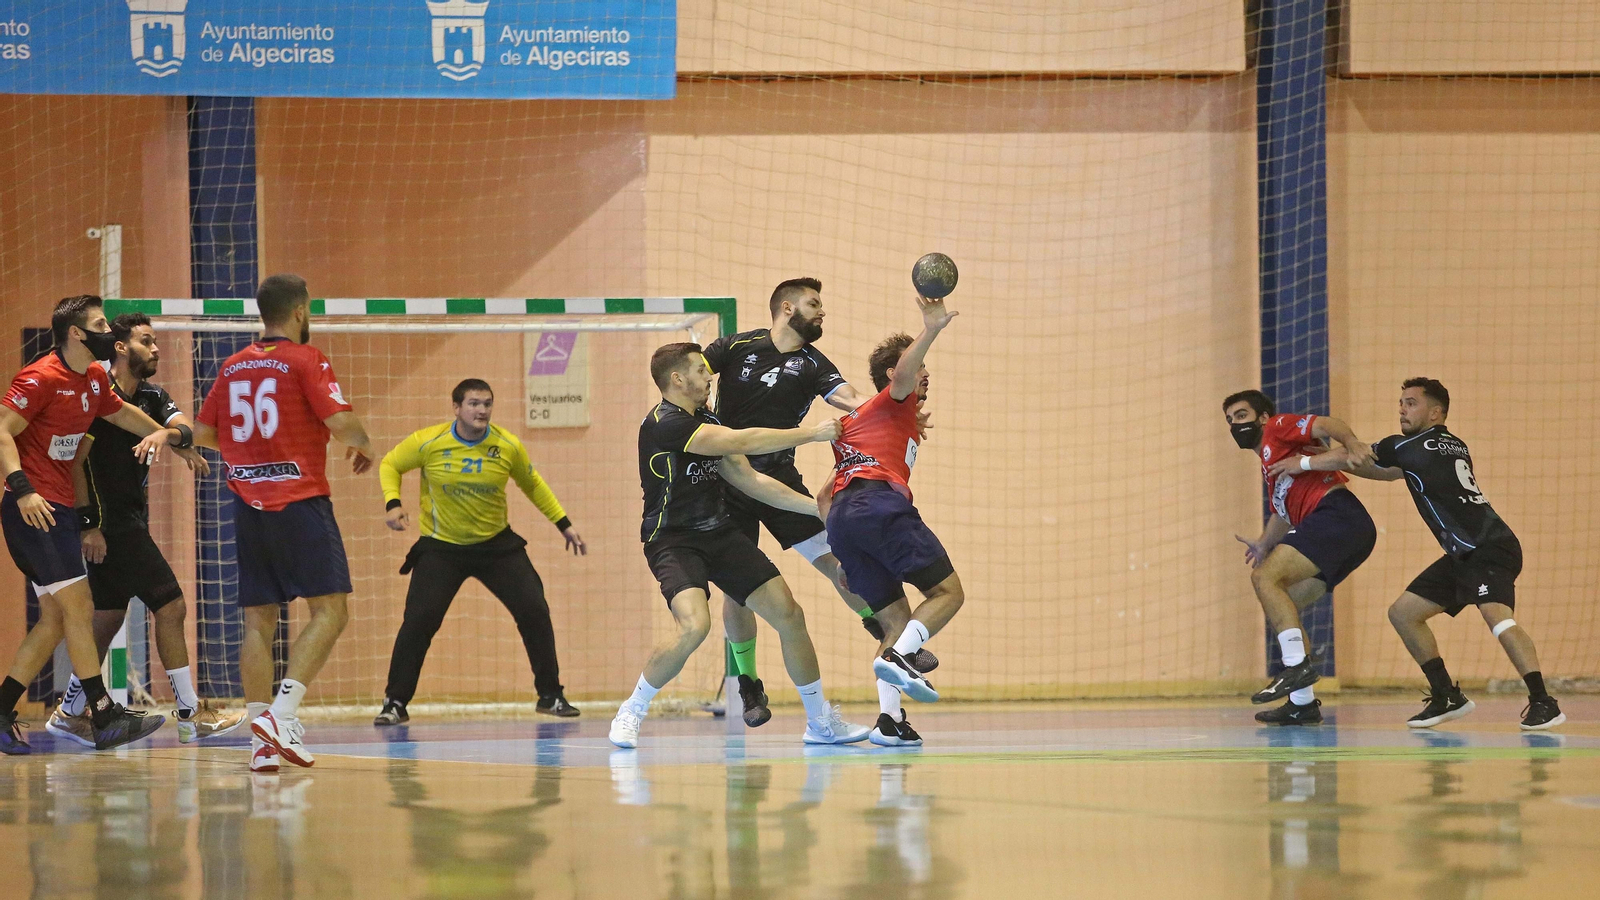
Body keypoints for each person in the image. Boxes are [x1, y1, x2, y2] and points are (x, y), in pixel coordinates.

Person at [609, 342, 869, 749]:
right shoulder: (665, 423)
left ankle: (821, 722)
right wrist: (813, 434)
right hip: (673, 541)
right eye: (700, 370)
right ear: (677, 379)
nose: (709, 375)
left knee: (789, 614)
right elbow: (745, 440)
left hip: (720, 534)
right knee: (695, 626)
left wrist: (819, 511)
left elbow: (750, 481)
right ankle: (633, 709)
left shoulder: (708, 417)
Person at [701, 277, 935, 727]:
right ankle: (747, 682)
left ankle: (885, 630)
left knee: (841, 565)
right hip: (724, 482)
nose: (822, 311)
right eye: (814, 303)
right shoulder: (734, 347)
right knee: (737, 588)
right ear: (787, 308)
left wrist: (900, 411)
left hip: (778, 482)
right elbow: (692, 379)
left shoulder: (812, 363)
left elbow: (855, 402)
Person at [1288, 378, 1563, 730]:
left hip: (1487, 549)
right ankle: (1446, 695)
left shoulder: (1411, 446)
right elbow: (1387, 473)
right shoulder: (1446, 444)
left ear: (1435, 412)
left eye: (1412, 403)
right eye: (1401, 402)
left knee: (1499, 620)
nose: (1402, 408)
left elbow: (1354, 454)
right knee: (1404, 613)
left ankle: (1543, 702)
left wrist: (1305, 464)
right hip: (1464, 553)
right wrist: (1332, 466)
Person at [192, 274, 376, 772]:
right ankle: (283, 713)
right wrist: (364, 443)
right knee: (332, 612)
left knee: (258, 620)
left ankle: (260, 744)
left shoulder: (232, 366)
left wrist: (252, 456)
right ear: (300, 311)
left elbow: (204, 433)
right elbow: (340, 422)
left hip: (247, 504)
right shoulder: (305, 359)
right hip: (300, 502)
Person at [0, 295, 195, 754]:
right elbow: (2, 430)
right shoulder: (40, 376)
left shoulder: (91, 378)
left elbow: (123, 414)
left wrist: (168, 436)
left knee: (52, 621)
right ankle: (102, 713)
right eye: (100, 324)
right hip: (33, 506)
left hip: (61, 508)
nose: (109, 331)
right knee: (80, 606)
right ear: (76, 334)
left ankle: (2, 709)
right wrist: (22, 487)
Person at [46, 312, 246, 747]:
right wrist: (89, 526)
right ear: (120, 347)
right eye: (147, 341)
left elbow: (185, 429)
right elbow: (75, 464)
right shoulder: (100, 398)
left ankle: (70, 710)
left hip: (131, 519)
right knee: (171, 607)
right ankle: (192, 714)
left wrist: (166, 439)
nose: (156, 349)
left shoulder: (154, 396)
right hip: (110, 525)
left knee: (106, 618)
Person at [375, 378, 587, 724]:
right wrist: (393, 504)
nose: (482, 410)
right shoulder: (429, 442)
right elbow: (390, 464)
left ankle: (551, 695)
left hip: (496, 545)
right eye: (474, 403)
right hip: (442, 547)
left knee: (534, 608)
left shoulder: (507, 446)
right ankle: (395, 702)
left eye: (487, 403)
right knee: (419, 620)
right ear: (456, 408)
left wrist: (564, 524)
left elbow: (533, 484)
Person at [823, 293, 961, 748]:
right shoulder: (891, 399)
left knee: (894, 621)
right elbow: (903, 373)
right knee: (946, 594)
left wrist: (842, 553)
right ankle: (903, 659)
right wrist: (932, 327)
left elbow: (825, 494)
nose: (925, 377)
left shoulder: (861, 420)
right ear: (894, 375)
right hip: (879, 506)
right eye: (922, 370)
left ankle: (888, 722)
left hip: (844, 519)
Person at [1223, 390, 1380, 725]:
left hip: (1336, 516)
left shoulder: (1278, 427)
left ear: (1262, 417)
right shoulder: (1271, 464)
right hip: (1351, 532)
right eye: (1230, 421)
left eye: (1241, 415)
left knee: (1265, 578)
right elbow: (1283, 512)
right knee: (1285, 600)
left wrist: (1351, 442)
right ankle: (1302, 703)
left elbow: (1326, 424)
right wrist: (1265, 543)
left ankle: (1296, 667)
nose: (1235, 425)